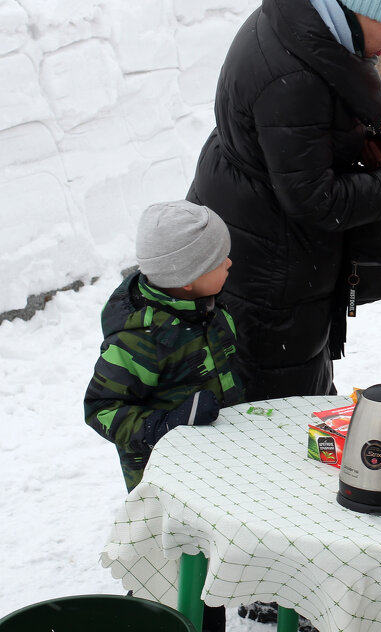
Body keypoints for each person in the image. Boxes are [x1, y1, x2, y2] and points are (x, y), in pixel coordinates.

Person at [187, 0, 381, 401]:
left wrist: (359, 150)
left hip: (254, 230)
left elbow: (299, 143)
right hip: (268, 265)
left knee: (290, 394)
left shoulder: (302, 24)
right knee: (281, 416)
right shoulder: (296, 73)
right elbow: (315, 199)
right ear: (368, 8)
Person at [84, 200, 242, 630]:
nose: (230, 261)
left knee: (212, 570)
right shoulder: (140, 338)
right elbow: (101, 409)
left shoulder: (201, 305)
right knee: (173, 581)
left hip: (210, 467)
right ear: (187, 280)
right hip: (165, 480)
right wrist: (164, 425)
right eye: (218, 259)